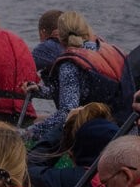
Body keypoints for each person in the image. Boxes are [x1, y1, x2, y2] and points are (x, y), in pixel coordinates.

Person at [27, 10, 130, 141]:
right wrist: (41, 91)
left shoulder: (70, 65)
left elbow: (67, 113)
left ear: (58, 36)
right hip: (128, 130)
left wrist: (29, 133)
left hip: (99, 137)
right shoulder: (116, 52)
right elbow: (82, 90)